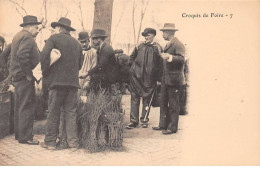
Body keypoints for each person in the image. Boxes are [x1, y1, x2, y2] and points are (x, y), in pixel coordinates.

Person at [40, 17, 83, 150]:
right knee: (71, 113)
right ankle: (73, 144)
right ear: (68, 29)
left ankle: (51, 143)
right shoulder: (77, 43)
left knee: (53, 112)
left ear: (59, 28)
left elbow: (44, 56)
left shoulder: (54, 39)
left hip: (56, 83)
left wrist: (46, 72)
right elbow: (80, 64)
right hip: (72, 84)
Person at [10, 15, 41, 145]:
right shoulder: (28, 37)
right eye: (36, 27)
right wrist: (29, 74)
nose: (38, 30)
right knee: (27, 106)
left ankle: (19, 134)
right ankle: (26, 137)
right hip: (24, 78)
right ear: (29, 27)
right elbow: (22, 55)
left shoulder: (18, 35)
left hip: (17, 77)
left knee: (20, 106)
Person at [152, 23, 185, 135]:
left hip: (174, 80)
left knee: (173, 104)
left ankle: (172, 128)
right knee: (163, 102)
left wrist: (170, 57)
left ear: (169, 33)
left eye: (163, 32)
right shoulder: (169, 44)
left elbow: (181, 60)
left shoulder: (178, 44)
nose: (162, 34)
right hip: (166, 80)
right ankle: (163, 125)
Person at [126, 28, 162, 129]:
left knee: (147, 100)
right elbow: (131, 58)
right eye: (145, 35)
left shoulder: (158, 48)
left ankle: (144, 120)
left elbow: (160, 64)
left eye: (148, 35)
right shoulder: (139, 46)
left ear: (154, 35)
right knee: (134, 99)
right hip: (136, 78)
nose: (146, 37)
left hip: (149, 79)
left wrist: (158, 78)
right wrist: (133, 70)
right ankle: (133, 121)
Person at [78, 31, 97, 95]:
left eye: (85, 41)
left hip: (88, 79)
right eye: (82, 42)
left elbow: (94, 67)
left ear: (89, 41)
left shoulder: (94, 52)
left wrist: (89, 81)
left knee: (85, 99)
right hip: (77, 80)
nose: (84, 44)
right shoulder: (77, 51)